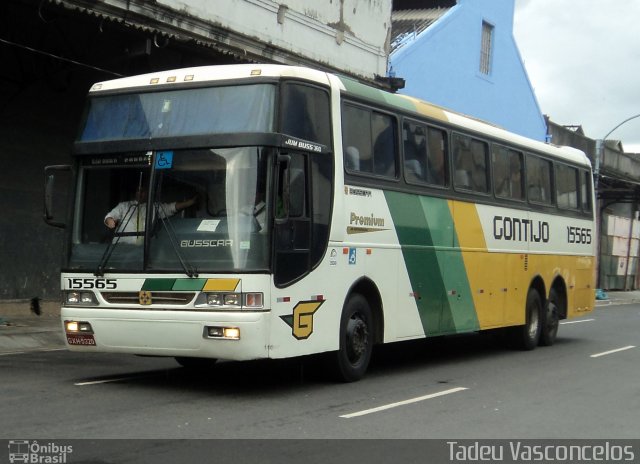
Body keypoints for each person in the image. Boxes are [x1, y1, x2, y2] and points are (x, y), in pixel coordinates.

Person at [104, 185, 197, 244]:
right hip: (121, 248)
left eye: (143, 191)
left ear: (148, 193)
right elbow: (111, 216)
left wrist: (190, 202)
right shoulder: (124, 206)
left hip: (144, 251)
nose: (140, 193)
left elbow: (171, 208)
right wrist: (111, 221)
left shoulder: (154, 207)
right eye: (138, 191)